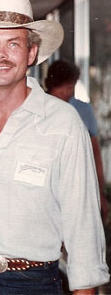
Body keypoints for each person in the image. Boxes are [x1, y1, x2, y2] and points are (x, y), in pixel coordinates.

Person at [0, 0, 109, 295]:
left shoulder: (63, 124)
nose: (0, 55)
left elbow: (83, 226)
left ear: (32, 53)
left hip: (30, 283)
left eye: (13, 44)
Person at [45, 59, 109, 223]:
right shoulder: (39, 107)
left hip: (78, 188)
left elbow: (94, 153)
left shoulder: (82, 109)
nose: (71, 91)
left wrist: (99, 193)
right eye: (69, 86)